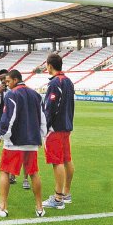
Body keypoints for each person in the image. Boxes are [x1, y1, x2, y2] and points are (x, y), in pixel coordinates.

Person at [0, 69, 46, 218]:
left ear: (15, 80)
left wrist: (0, 137)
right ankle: (39, 208)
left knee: (5, 171)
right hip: (32, 142)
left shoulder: (11, 95)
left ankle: (2, 207)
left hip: (14, 142)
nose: (6, 84)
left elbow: (9, 118)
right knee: (33, 173)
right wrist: (41, 137)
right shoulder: (36, 95)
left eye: (8, 81)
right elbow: (43, 119)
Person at [42, 54, 75, 210]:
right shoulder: (68, 81)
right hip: (66, 126)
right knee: (67, 159)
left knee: (57, 161)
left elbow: (50, 108)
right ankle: (66, 193)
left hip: (55, 128)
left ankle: (58, 198)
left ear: (50, 65)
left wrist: (44, 127)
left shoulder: (55, 83)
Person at [0, 69, 30, 188]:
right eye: (1, 79)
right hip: (7, 127)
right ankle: (12, 175)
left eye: (5, 78)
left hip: (20, 125)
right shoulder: (2, 92)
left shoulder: (19, 91)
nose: (3, 81)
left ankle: (25, 179)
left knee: (24, 152)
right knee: (10, 152)